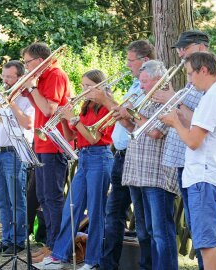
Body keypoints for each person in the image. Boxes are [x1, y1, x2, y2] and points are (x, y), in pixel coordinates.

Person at [160, 51, 216, 270]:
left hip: (204, 178)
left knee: (206, 244)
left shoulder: (212, 97)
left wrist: (174, 123)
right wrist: (180, 117)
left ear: (204, 70)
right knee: (214, 242)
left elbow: (193, 141)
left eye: (190, 74)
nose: (188, 80)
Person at [34, 69, 115, 270]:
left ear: (99, 86)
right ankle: (59, 255)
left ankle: (92, 260)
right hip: (85, 159)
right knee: (72, 208)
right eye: (83, 85)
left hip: (100, 157)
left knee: (96, 212)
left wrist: (74, 119)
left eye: (88, 86)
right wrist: (64, 118)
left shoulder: (106, 107)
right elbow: (71, 137)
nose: (84, 90)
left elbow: (93, 138)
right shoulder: (86, 106)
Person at [87, 40, 154, 270]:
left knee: (142, 222)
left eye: (130, 60)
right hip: (121, 155)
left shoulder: (149, 87)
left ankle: (145, 266)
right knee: (113, 213)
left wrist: (106, 99)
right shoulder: (135, 85)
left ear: (144, 61)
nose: (127, 65)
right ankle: (108, 265)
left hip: (136, 157)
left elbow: (133, 120)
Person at [119, 60, 179, 270]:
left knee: (160, 231)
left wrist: (134, 114)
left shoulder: (168, 103)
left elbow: (155, 132)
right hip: (137, 172)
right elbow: (133, 128)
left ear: (158, 80)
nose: (141, 85)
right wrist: (122, 116)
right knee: (143, 231)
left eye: (144, 81)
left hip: (157, 175)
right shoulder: (144, 101)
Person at [21, 42, 71, 262]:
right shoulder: (41, 77)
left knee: (52, 197)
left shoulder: (56, 75)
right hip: (41, 143)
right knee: (43, 196)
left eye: (27, 63)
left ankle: (57, 248)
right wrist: (27, 89)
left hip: (53, 144)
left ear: (39, 61)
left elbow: (49, 109)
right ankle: (51, 244)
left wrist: (32, 87)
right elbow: (35, 104)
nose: (25, 67)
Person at [0, 60, 35, 256]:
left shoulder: (27, 99)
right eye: (4, 76)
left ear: (20, 78)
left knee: (16, 200)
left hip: (15, 153)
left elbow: (28, 123)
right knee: (1, 201)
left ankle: (19, 240)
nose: (5, 81)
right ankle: (6, 239)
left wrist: (10, 103)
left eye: (9, 77)